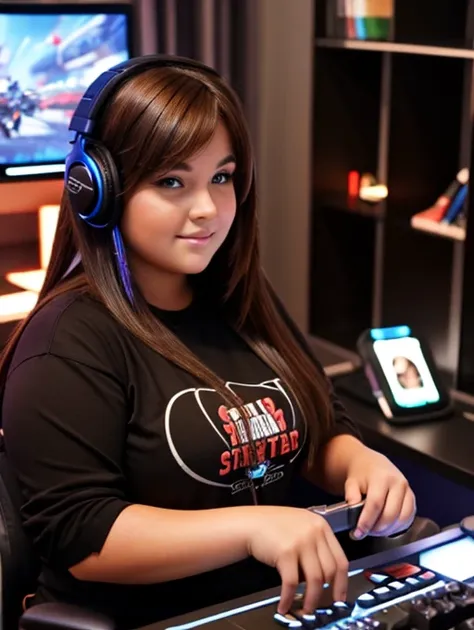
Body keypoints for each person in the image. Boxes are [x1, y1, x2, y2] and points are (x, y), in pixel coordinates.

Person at [0, 55, 416, 629]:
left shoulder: (241, 297)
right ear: (97, 188)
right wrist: (252, 529)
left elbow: (319, 423)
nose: (207, 210)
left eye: (221, 177)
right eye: (172, 181)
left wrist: (359, 461)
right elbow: (83, 534)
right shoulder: (68, 338)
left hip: (280, 607)